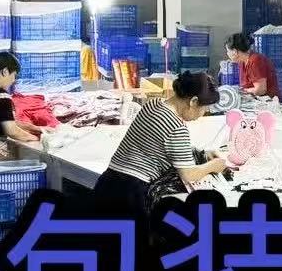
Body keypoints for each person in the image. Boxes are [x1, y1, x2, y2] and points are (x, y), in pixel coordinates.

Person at [89, 71, 226, 224]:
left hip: (107, 182)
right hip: (131, 193)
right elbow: (188, 174)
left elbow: (160, 143)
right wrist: (213, 166)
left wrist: (203, 154)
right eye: (204, 108)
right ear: (193, 101)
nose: (203, 113)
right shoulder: (177, 127)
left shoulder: (153, 105)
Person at [224, 32, 280, 100]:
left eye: (228, 51)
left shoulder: (255, 60)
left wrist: (242, 91)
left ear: (235, 52)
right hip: (254, 99)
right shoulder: (242, 62)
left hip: (268, 101)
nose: (227, 54)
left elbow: (260, 90)